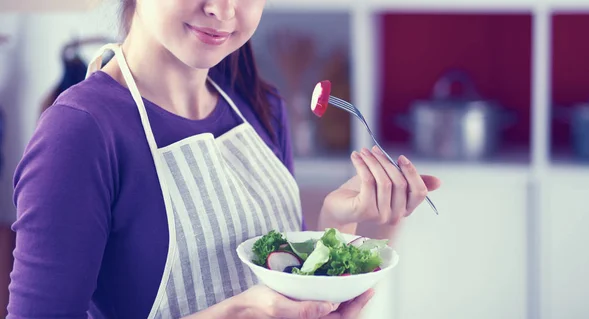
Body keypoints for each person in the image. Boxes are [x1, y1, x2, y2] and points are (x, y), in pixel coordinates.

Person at [7, 0, 442, 318]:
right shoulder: (80, 133)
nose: (223, 8)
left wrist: (341, 226)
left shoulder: (261, 105)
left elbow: (285, 296)